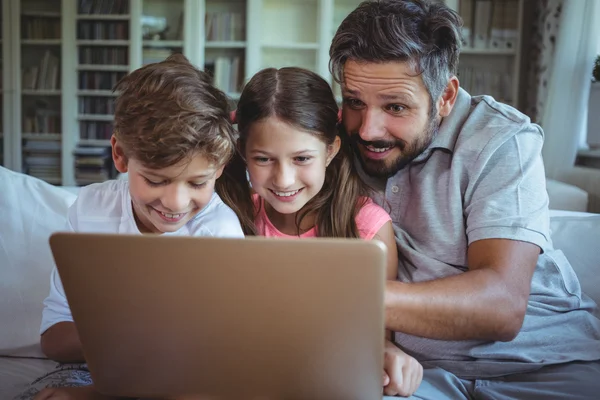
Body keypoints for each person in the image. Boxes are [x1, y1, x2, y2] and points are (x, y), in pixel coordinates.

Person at [329, 0, 600, 398]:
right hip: (413, 375)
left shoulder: (501, 140)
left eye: (395, 107)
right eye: (354, 101)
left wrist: (329, 298)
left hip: (545, 363)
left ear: (445, 97)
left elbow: (501, 307)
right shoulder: (330, 141)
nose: (368, 130)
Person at [19, 54, 244, 400]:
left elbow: (218, 359)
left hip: (187, 379)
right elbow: (54, 338)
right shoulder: (91, 209)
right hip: (87, 368)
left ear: (220, 166)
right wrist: (138, 340)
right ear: (120, 155)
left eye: (197, 183)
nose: (175, 202)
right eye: (156, 180)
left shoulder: (219, 232)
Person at [216, 66, 423, 397]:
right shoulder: (230, 219)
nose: (284, 180)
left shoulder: (368, 229)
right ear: (243, 154)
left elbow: (378, 335)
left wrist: (388, 354)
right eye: (264, 159)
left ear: (330, 150)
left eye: (301, 158)